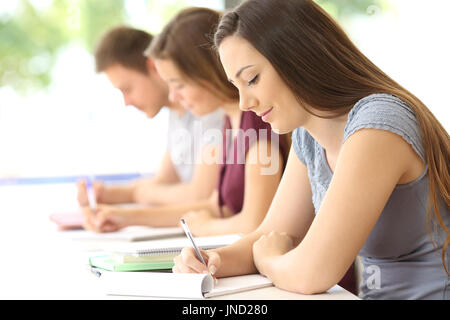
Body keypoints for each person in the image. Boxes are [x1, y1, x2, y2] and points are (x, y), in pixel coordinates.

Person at [172, 0, 450, 300]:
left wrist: (268, 260)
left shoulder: (378, 125)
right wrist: (213, 261)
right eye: (237, 86)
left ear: (300, 56)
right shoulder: (309, 135)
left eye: (252, 79)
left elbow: (311, 274)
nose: (244, 103)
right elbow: (272, 235)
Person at [81, 7, 290, 237]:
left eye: (179, 85)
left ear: (206, 72)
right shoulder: (231, 122)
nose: (173, 97)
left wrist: (203, 227)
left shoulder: (256, 122)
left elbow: (254, 223)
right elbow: (216, 206)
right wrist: (125, 217)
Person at [77, 26, 225, 230]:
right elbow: (164, 180)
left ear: (153, 67)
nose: (126, 102)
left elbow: (199, 195)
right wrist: (108, 195)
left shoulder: (210, 110)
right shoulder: (177, 114)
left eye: (127, 89)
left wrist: (138, 196)